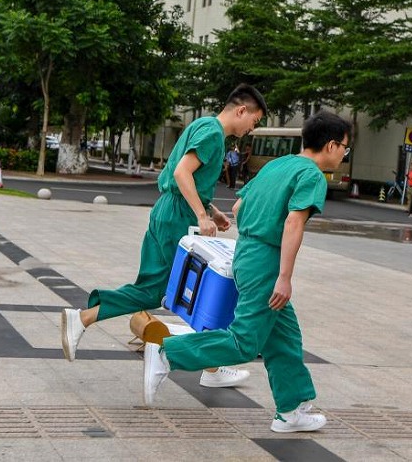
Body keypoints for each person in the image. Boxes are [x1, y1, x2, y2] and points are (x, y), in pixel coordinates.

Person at [141, 110, 352, 433]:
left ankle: (291, 409)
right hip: (266, 261)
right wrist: (284, 276)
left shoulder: (276, 166)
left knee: (284, 336)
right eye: (345, 148)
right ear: (332, 145)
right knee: (244, 341)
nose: (343, 155)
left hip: (245, 253)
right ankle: (168, 352)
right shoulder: (310, 175)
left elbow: (238, 208)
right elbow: (294, 222)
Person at [61, 85, 267, 389]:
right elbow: (182, 174)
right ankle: (83, 318)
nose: (252, 128)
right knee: (169, 291)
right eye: (254, 120)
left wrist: (212, 211)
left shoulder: (202, 125)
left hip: (168, 211)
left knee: (176, 290)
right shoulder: (213, 135)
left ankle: (211, 365)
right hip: (178, 218)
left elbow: (184, 178)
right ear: (241, 111)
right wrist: (200, 215)